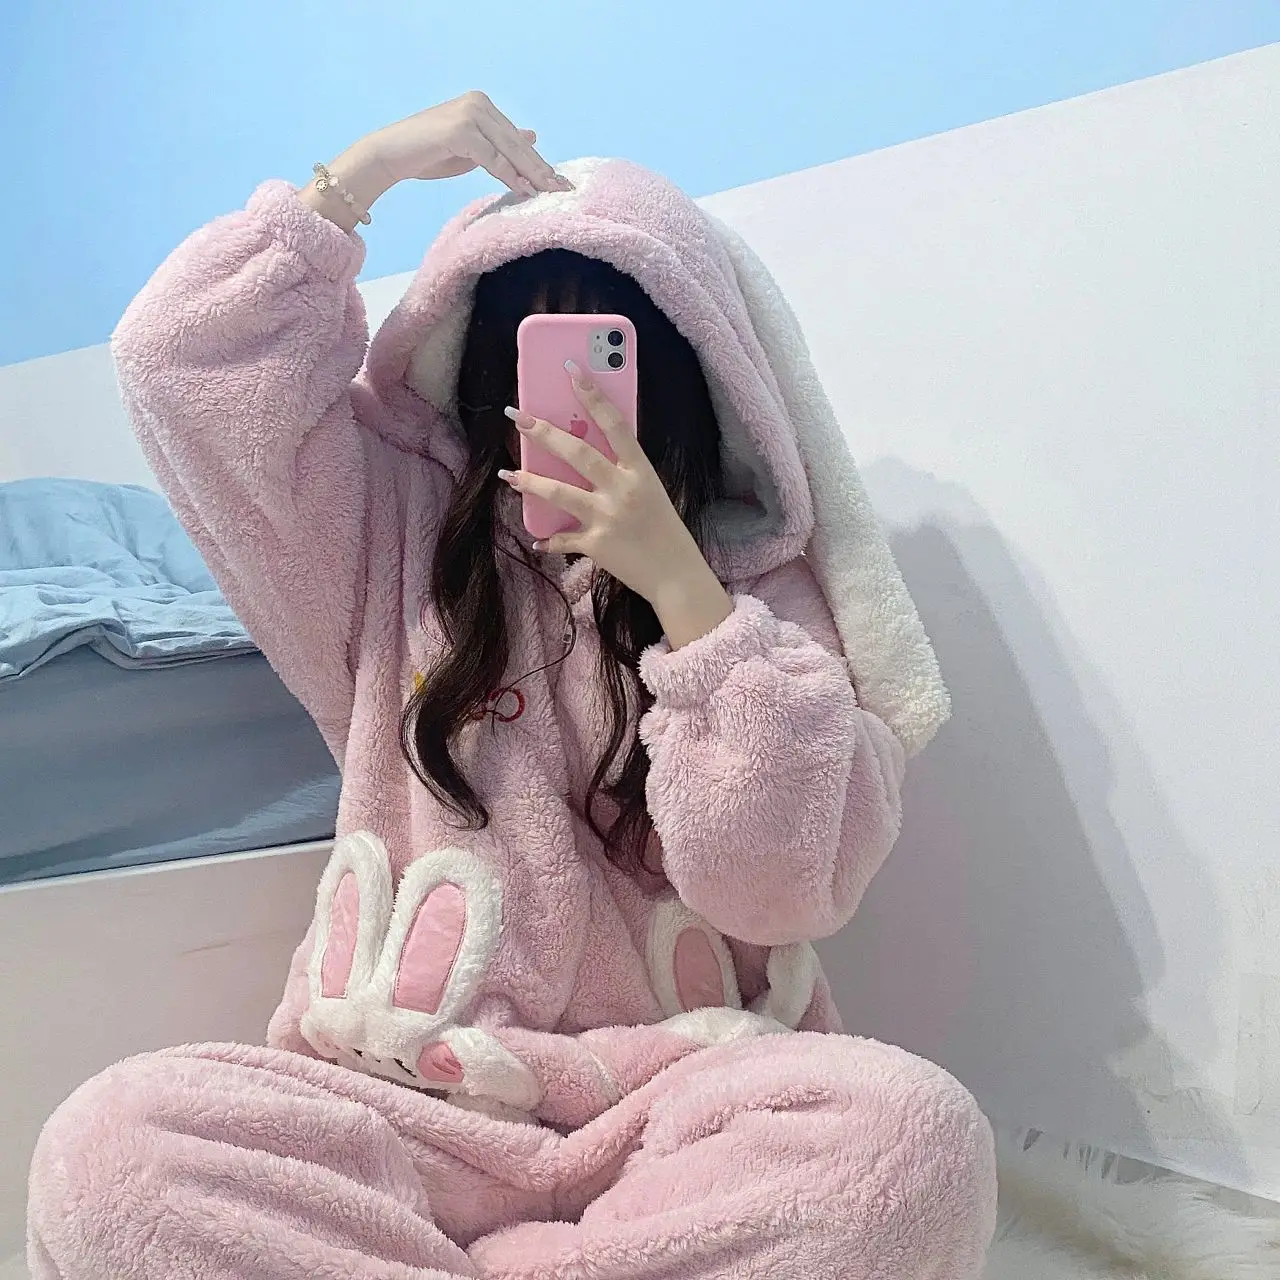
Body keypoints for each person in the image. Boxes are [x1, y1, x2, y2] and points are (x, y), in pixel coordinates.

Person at [27, 92, 997, 1279]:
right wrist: (358, 176)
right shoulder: (386, 532)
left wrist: (681, 593)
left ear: (685, 370)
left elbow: (780, 887)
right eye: (527, 353)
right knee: (110, 1151)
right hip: (407, 1106)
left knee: (910, 1137)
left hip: (675, 1111)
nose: (567, 399)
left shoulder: (756, 588)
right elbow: (183, 365)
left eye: (606, 351)